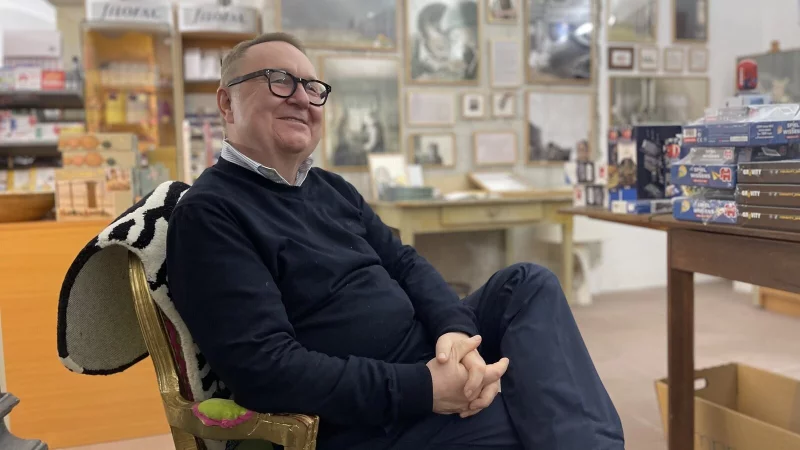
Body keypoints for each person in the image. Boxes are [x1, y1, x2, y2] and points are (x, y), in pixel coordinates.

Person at [166, 32, 624, 450]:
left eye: (312, 87)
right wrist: (425, 389)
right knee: (539, 412)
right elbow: (266, 369)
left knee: (527, 283)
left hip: (428, 358)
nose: (303, 98)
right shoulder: (210, 214)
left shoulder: (330, 187)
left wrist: (456, 336)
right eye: (280, 80)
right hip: (373, 419)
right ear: (226, 104)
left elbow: (405, 263)